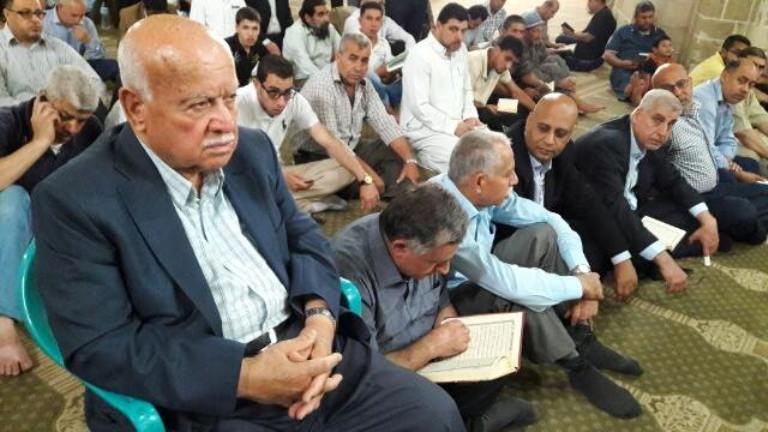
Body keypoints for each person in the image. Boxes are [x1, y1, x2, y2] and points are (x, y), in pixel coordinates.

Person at [31, 15, 465, 431]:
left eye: (227, 99)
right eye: (200, 105)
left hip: (308, 345)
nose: (225, 124)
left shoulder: (252, 152)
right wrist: (246, 377)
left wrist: (319, 316)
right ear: (136, 108)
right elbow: (102, 345)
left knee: (434, 415)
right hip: (211, 394)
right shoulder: (75, 199)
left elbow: (305, 238)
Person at [431, 130, 643, 419]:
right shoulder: (444, 216)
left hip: (484, 276)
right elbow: (504, 281)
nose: (515, 180)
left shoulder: (473, 190)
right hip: (447, 304)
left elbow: (552, 220)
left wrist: (582, 273)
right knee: (519, 296)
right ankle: (575, 364)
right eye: (508, 174)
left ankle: (580, 333)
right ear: (480, 181)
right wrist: (579, 286)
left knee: (543, 234)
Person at [333, 184, 538, 432]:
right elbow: (367, 373)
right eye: (437, 263)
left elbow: (440, 292)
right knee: (431, 410)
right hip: (390, 372)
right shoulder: (350, 274)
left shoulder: (424, 244)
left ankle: (467, 419)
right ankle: (470, 423)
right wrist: (430, 347)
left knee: (505, 328)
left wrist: (445, 312)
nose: (445, 270)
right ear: (400, 248)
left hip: (433, 352)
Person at [0, 65, 102, 377]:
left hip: (51, 235)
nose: (74, 128)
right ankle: (4, 326)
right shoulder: (9, 122)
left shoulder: (91, 130)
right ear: (43, 100)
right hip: (7, 231)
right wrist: (40, 142)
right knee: (13, 199)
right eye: (66, 117)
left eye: (82, 120)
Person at [510, 93, 640, 300]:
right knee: (546, 234)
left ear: (570, 134)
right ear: (529, 121)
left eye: (560, 134)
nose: (549, 140)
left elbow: (588, 203)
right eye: (543, 128)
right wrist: (581, 285)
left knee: (599, 236)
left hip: (549, 236)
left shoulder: (564, 152)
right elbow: (517, 229)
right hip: (511, 246)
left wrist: (621, 259)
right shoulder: (506, 154)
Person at [576, 90, 720, 263]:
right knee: (602, 255)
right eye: (657, 120)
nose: (663, 132)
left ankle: (648, 256)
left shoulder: (650, 139)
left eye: (670, 124)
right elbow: (614, 206)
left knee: (695, 220)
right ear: (637, 115)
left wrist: (707, 219)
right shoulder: (607, 144)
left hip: (633, 209)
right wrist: (662, 259)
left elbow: (674, 181)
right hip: (598, 220)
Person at [237, 54, 380, 213]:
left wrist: (365, 180)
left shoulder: (295, 100)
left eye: (287, 92)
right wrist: (279, 176)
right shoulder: (237, 103)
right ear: (256, 84)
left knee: (349, 168)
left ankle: (289, 204)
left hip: (278, 171)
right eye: (273, 92)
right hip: (249, 176)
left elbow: (329, 141)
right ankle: (305, 204)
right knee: (243, 194)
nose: (281, 102)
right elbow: (235, 162)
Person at [652, 63, 768, 245]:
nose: (677, 92)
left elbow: (722, 141)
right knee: (744, 211)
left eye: (681, 84)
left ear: (690, 83)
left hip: (713, 181)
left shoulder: (692, 109)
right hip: (694, 197)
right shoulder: (663, 127)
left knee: (758, 188)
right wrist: (733, 170)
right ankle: (743, 230)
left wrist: (730, 168)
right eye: (668, 88)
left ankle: (727, 227)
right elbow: (666, 179)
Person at [298, 33, 419, 199]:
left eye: (364, 60)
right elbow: (336, 147)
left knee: (397, 148)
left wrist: (410, 161)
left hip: (351, 146)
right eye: (353, 58)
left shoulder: (364, 84)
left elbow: (385, 124)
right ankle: (387, 189)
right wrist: (369, 177)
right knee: (349, 174)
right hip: (319, 158)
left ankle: (397, 195)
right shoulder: (322, 88)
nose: (358, 67)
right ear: (338, 57)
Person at [400, 3, 481, 174]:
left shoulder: (461, 50)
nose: (459, 37)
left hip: (458, 123)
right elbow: (420, 107)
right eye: (453, 29)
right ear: (437, 26)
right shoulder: (419, 55)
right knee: (469, 161)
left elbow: (466, 89)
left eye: (463, 31)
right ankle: (424, 158)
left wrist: (470, 116)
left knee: (497, 148)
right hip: (424, 130)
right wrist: (454, 127)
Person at [0, 0, 100, 107]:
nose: (35, 20)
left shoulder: (57, 46)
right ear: (7, 14)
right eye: (25, 13)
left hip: (68, 111)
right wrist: (43, 109)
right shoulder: (2, 49)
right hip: (22, 114)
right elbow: (2, 101)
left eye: (39, 13)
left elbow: (94, 81)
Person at [693, 55, 766, 181]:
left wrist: (728, 162)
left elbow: (728, 139)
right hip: (696, 164)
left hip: (715, 157)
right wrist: (731, 168)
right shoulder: (704, 100)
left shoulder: (728, 98)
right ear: (724, 76)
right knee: (750, 187)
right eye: (741, 81)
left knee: (750, 164)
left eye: (750, 85)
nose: (745, 90)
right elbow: (704, 149)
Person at [519, 14, 602, 113]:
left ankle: (572, 96)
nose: (539, 35)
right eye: (536, 31)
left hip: (538, 77)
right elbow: (528, 76)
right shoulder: (520, 47)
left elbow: (545, 58)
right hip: (526, 84)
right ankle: (575, 101)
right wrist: (557, 83)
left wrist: (564, 78)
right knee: (551, 80)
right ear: (525, 32)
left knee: (555, 60)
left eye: (540, 31)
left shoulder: (536, 41)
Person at [43, 0, 120, 83]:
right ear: (60, 7)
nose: (78, 21)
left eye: (81, 16)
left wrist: (88, 41)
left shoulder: (87, 23)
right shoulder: (42, 21)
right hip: (51, 68)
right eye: (74, 15)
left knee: (115, 66)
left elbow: (99, 57)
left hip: (78, 66)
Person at [603, 0, 666, 101]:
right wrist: (622, 63)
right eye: (643, 17)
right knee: (626, 80)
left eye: (650, 17)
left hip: (648, 71)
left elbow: (667, 54)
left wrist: (655, 58)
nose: (647, 21)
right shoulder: (623, 31)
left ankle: (640, 93)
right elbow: (608, 55)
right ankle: (636, 93)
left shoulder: (659, 34)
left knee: (658, 82)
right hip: (624, 69)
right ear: (636, 17)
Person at [467, 35, 533, 131]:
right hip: (467, 111)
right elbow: (461, 99)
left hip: (481, 107)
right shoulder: (472, 61)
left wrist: (537, 110)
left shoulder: (500, 66)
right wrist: (484, 107)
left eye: (513, 63)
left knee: (521, 108)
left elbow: (516, 92)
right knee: (487, 114)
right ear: (497, 49)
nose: (509, 66)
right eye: (507, 58)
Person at [283, 0, 341, 82]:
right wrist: (327, 81)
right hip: (302, 80)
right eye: (320, 14)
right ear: (307, 18)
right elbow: (305, 65)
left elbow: (342, 50)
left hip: (328, 75)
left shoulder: (328, 27)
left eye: (327, 13)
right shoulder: (294, 32)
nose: (326, 19)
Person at [357, 1, 401, 109]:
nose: (373, 24)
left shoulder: (384, 43)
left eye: (377, 19)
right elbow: (358, 76)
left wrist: (394, 71)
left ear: (382, 22)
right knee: (369, 77)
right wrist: (379, 72)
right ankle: (388, 109)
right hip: (363, 92)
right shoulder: (353, 42)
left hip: (386, 87)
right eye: (369, 18)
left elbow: (390, 65)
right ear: (360, 21)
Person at [555, 0, 616, 72]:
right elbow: (586, 32)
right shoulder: (601, 14)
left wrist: (572, 34)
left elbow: (588, 38)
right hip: (584, 48)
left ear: (598, 1)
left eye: (590, 1)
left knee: (558, 59)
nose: (588, 4)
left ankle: (587, 64)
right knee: (560, 39)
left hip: (588, 56)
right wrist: (572, 34)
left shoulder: (603, 16)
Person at [623, 34, 675, 106]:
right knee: (641, 84)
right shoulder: (651, 61)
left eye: (670, 45)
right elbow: (646, 78)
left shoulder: (670, 61)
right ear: (655, 50)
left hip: (657, 85)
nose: (668, 48)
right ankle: (636, 98)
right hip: (646, 84)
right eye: (664, 46)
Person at [342, 0, 415, 50]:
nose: (381, 7)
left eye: (382, 3)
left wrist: (409, 57)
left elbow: (409, 38)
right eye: (377, 4)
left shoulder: (384, 19)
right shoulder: (353, 21)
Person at [226, 7, 268, 87]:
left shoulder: (260, 48)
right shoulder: (226, 47)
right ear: (237, 28)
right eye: (245, 28)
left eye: (255, 28)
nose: (250, 34)